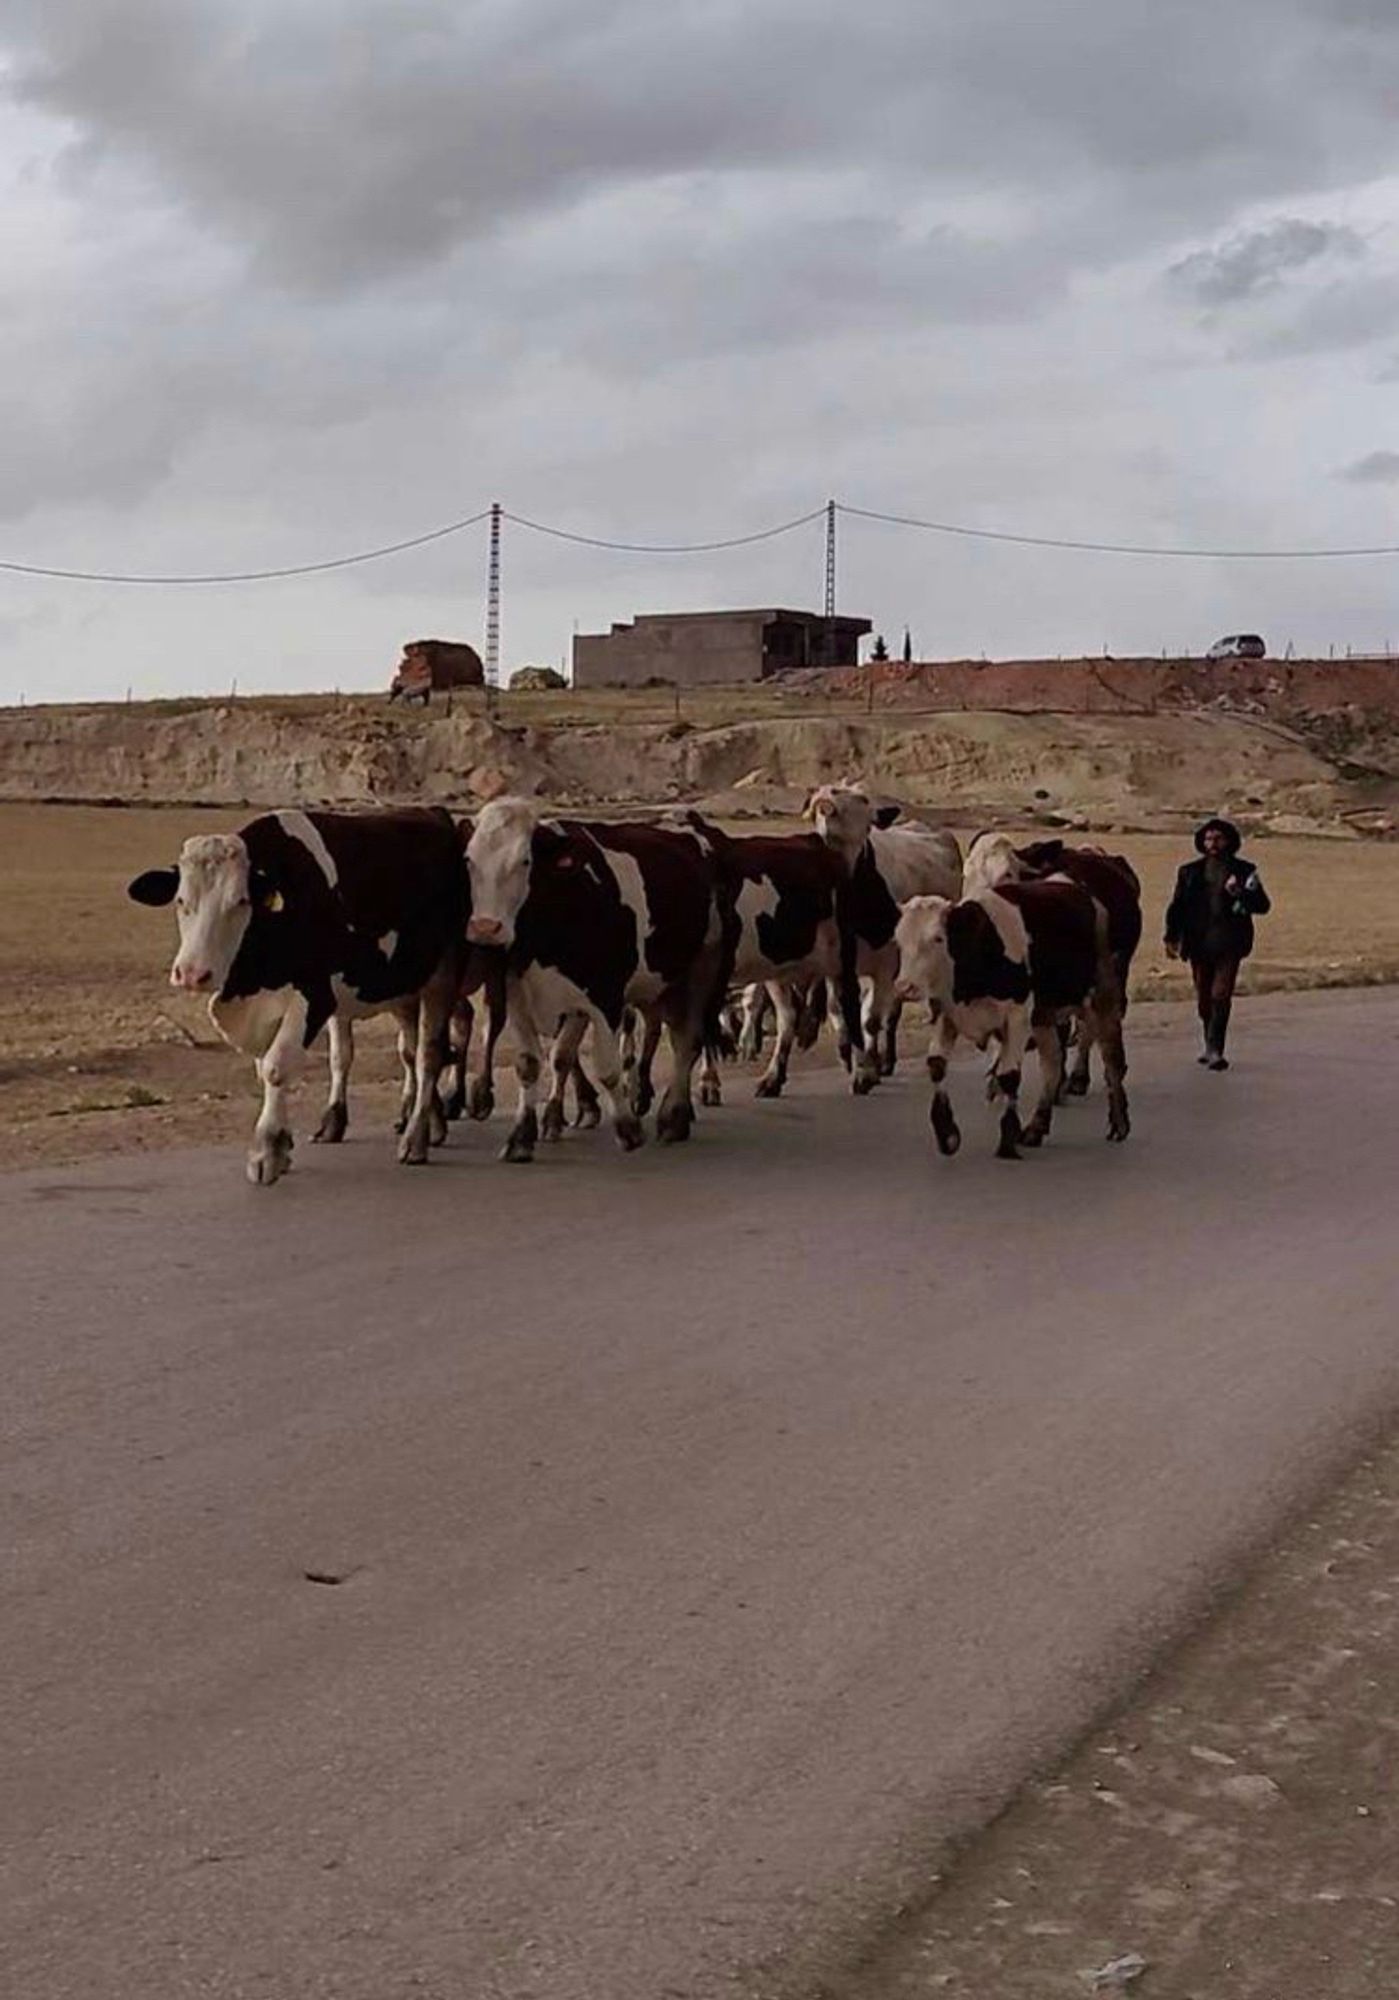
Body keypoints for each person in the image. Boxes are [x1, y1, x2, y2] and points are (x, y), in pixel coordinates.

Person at [1164, 817, 1271, 1071]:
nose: (1213, 843)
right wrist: (1171, 936)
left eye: (1218, 838)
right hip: (1198, 942)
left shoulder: (1245, 871)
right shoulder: (1189, 872)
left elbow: (1263, 905)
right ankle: (1208, 1042)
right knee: (1203, 998)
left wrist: (1239, 893)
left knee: (1220, 994)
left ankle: (1216, 1049)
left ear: (1229, 841)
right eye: (1209, 839)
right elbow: (1177, 906)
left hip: (1230, 942)